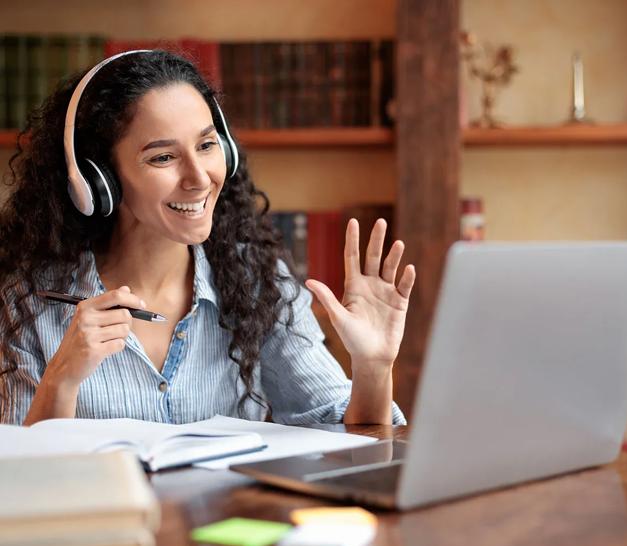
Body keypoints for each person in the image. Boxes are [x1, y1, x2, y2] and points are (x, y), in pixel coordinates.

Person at [0, 50, 415, 427]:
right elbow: (20, 481)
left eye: (206, 145)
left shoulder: (256, 280)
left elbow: (346, 434)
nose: (199, 178)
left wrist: (373, 368)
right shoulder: (29, 299)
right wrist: (62, 378)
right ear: (98, 180)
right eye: (163, 157)